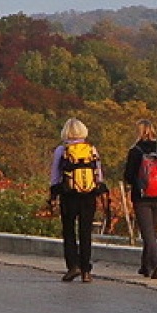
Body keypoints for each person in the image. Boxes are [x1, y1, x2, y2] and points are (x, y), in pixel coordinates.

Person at [49, 117, 107, 282]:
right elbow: (98, 173)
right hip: (89, 195)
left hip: (69, 194)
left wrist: (53, 194)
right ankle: (86, 271)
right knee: (85, 232)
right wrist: (99, 191)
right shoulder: (91, 149)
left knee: (69, 230)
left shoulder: (61, 150)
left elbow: (55, 175)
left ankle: (73, 266)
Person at [122, 119, 157, 278]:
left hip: (142, 197)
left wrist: (138, 182)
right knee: (151, 231)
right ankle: (146, 266)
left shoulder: (135, 151)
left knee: (148, 234)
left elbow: (128, 175)